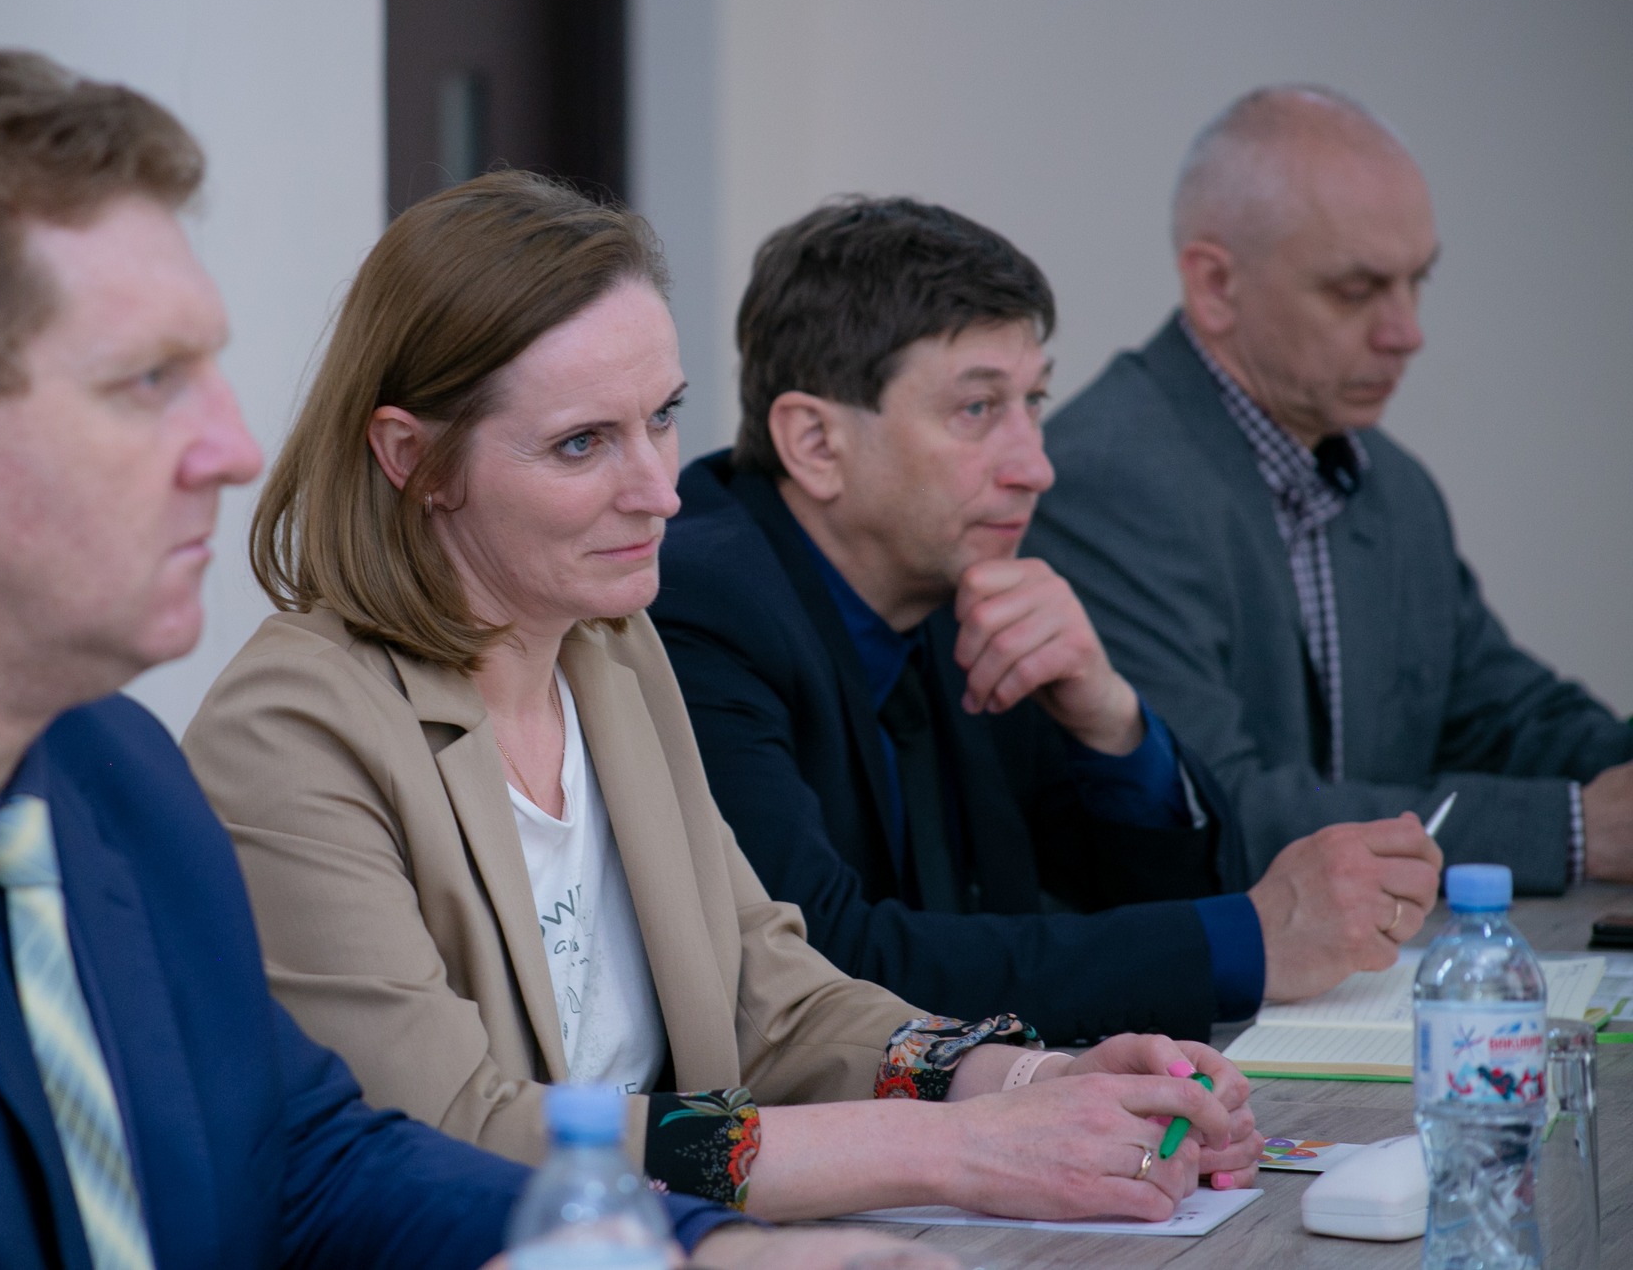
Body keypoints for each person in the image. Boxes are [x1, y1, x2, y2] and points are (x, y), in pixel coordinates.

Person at [0, 52, 766, 1270]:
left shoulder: (117, 767)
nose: (234, 447)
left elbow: (309, 1160)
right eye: (147, 381)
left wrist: (701, 1251)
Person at [183, 170, 1262, 1230]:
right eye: (581, 443)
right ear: (412, 459)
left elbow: (775, 998)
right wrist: (953, 1147)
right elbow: (461, 1136)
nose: (659, 489)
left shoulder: (609, 652)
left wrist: (1025, 1079)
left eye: (661, 417)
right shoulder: (292, 728)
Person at [650, 196, 1445, 1045]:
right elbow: (823, 968)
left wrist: (1110, 721)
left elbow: (1137, 911)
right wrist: (1249, 938)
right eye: (977, 409)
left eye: (1033, 400)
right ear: (815, 443)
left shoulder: (959, 585)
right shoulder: (702, 607)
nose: (1035, 467)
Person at [1025, 85, 1633, 893]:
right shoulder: (1105, 478)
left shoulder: (1393, 485)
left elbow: (1503, 719)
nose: (1407, 332)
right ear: (1216, 286)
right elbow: (1217, 807)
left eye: (1417, 281)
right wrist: (1574, 830)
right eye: (1356, 291)